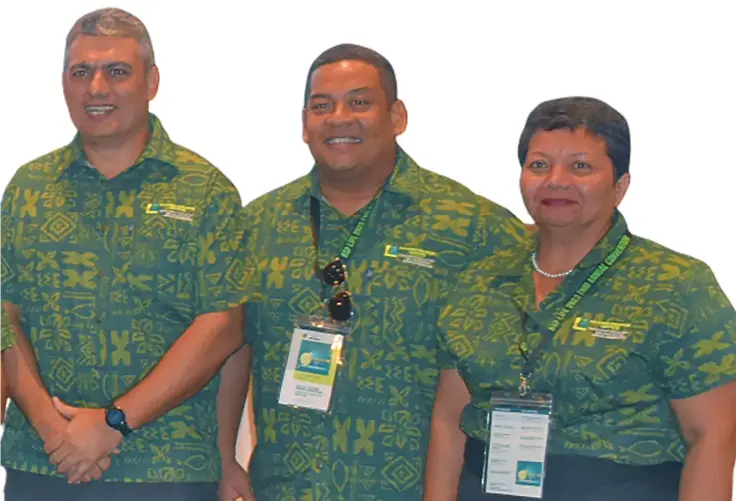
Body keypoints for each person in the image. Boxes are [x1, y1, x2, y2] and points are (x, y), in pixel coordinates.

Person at [215, 43, 531, 501]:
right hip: (284, 488)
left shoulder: (474, 227)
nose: (340, 117)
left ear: (398, 116)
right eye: (322, 106)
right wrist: (226, 457)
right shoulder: (256, 225)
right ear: (305, 124)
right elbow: (232, 345)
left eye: (359, 102)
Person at [425, 96, 736, 500]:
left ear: (620, 185)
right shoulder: (480, 279)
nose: (556, 180)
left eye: (581, 166)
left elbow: (714, 435)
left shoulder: (676, 285)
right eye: (539, 165)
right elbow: (450, 420)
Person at [0, 8, 255, 501]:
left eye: (117, 71)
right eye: (82, 72)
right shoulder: (28, 189)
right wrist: (53, 429)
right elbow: (5, 316)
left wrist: (115, 422)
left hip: (168, 469)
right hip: (44, 463)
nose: (97, 87)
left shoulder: (206, 190)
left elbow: (222, 325)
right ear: (64, 82)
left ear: (151, 81)